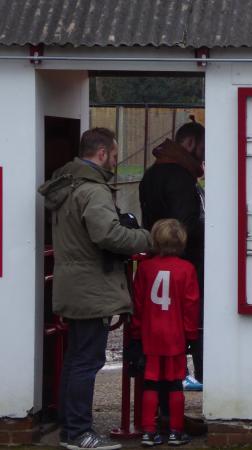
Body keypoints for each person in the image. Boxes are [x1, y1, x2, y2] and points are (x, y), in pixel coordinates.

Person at [38, 128, 152, 450]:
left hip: (73, 284)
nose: (116, 161)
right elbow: (108, 235)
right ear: (101, 153)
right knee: (87, 362)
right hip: (91, 289)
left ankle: (70, 429)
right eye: (115, 155)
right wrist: (148, 239)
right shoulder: (93, 191)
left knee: (76, 360)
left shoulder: (67, 186)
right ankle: (79, 432)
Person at [139, 121, 205, 391]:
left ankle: (161, 412)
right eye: (203, 147)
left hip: (160, 263)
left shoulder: (152, 173)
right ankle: (197, 378)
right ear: (190, 144)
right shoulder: (179, 178)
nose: (205, 154)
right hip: (186, 266)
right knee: (194, 324)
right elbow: (186, 223)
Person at [130, 219, 200, 447]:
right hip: (174, 334)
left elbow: (138, 303)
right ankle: (175, 431)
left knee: (150, 383)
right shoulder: (186, 269)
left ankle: (148, 431)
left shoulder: (145, 268)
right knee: (174, 384)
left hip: (150, 333)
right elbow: (191, 305)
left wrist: (137, 331)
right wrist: (191, 334)